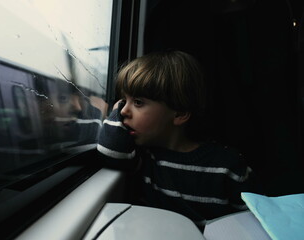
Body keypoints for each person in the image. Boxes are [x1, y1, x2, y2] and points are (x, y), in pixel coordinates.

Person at [97, 50, 260, 230]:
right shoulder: (143, 157)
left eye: (137, 102)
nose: (123, 112)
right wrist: (117, 109)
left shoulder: (227, 167)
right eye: (123, 101)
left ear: (180, 113)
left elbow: (254, 225)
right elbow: (110, 149)